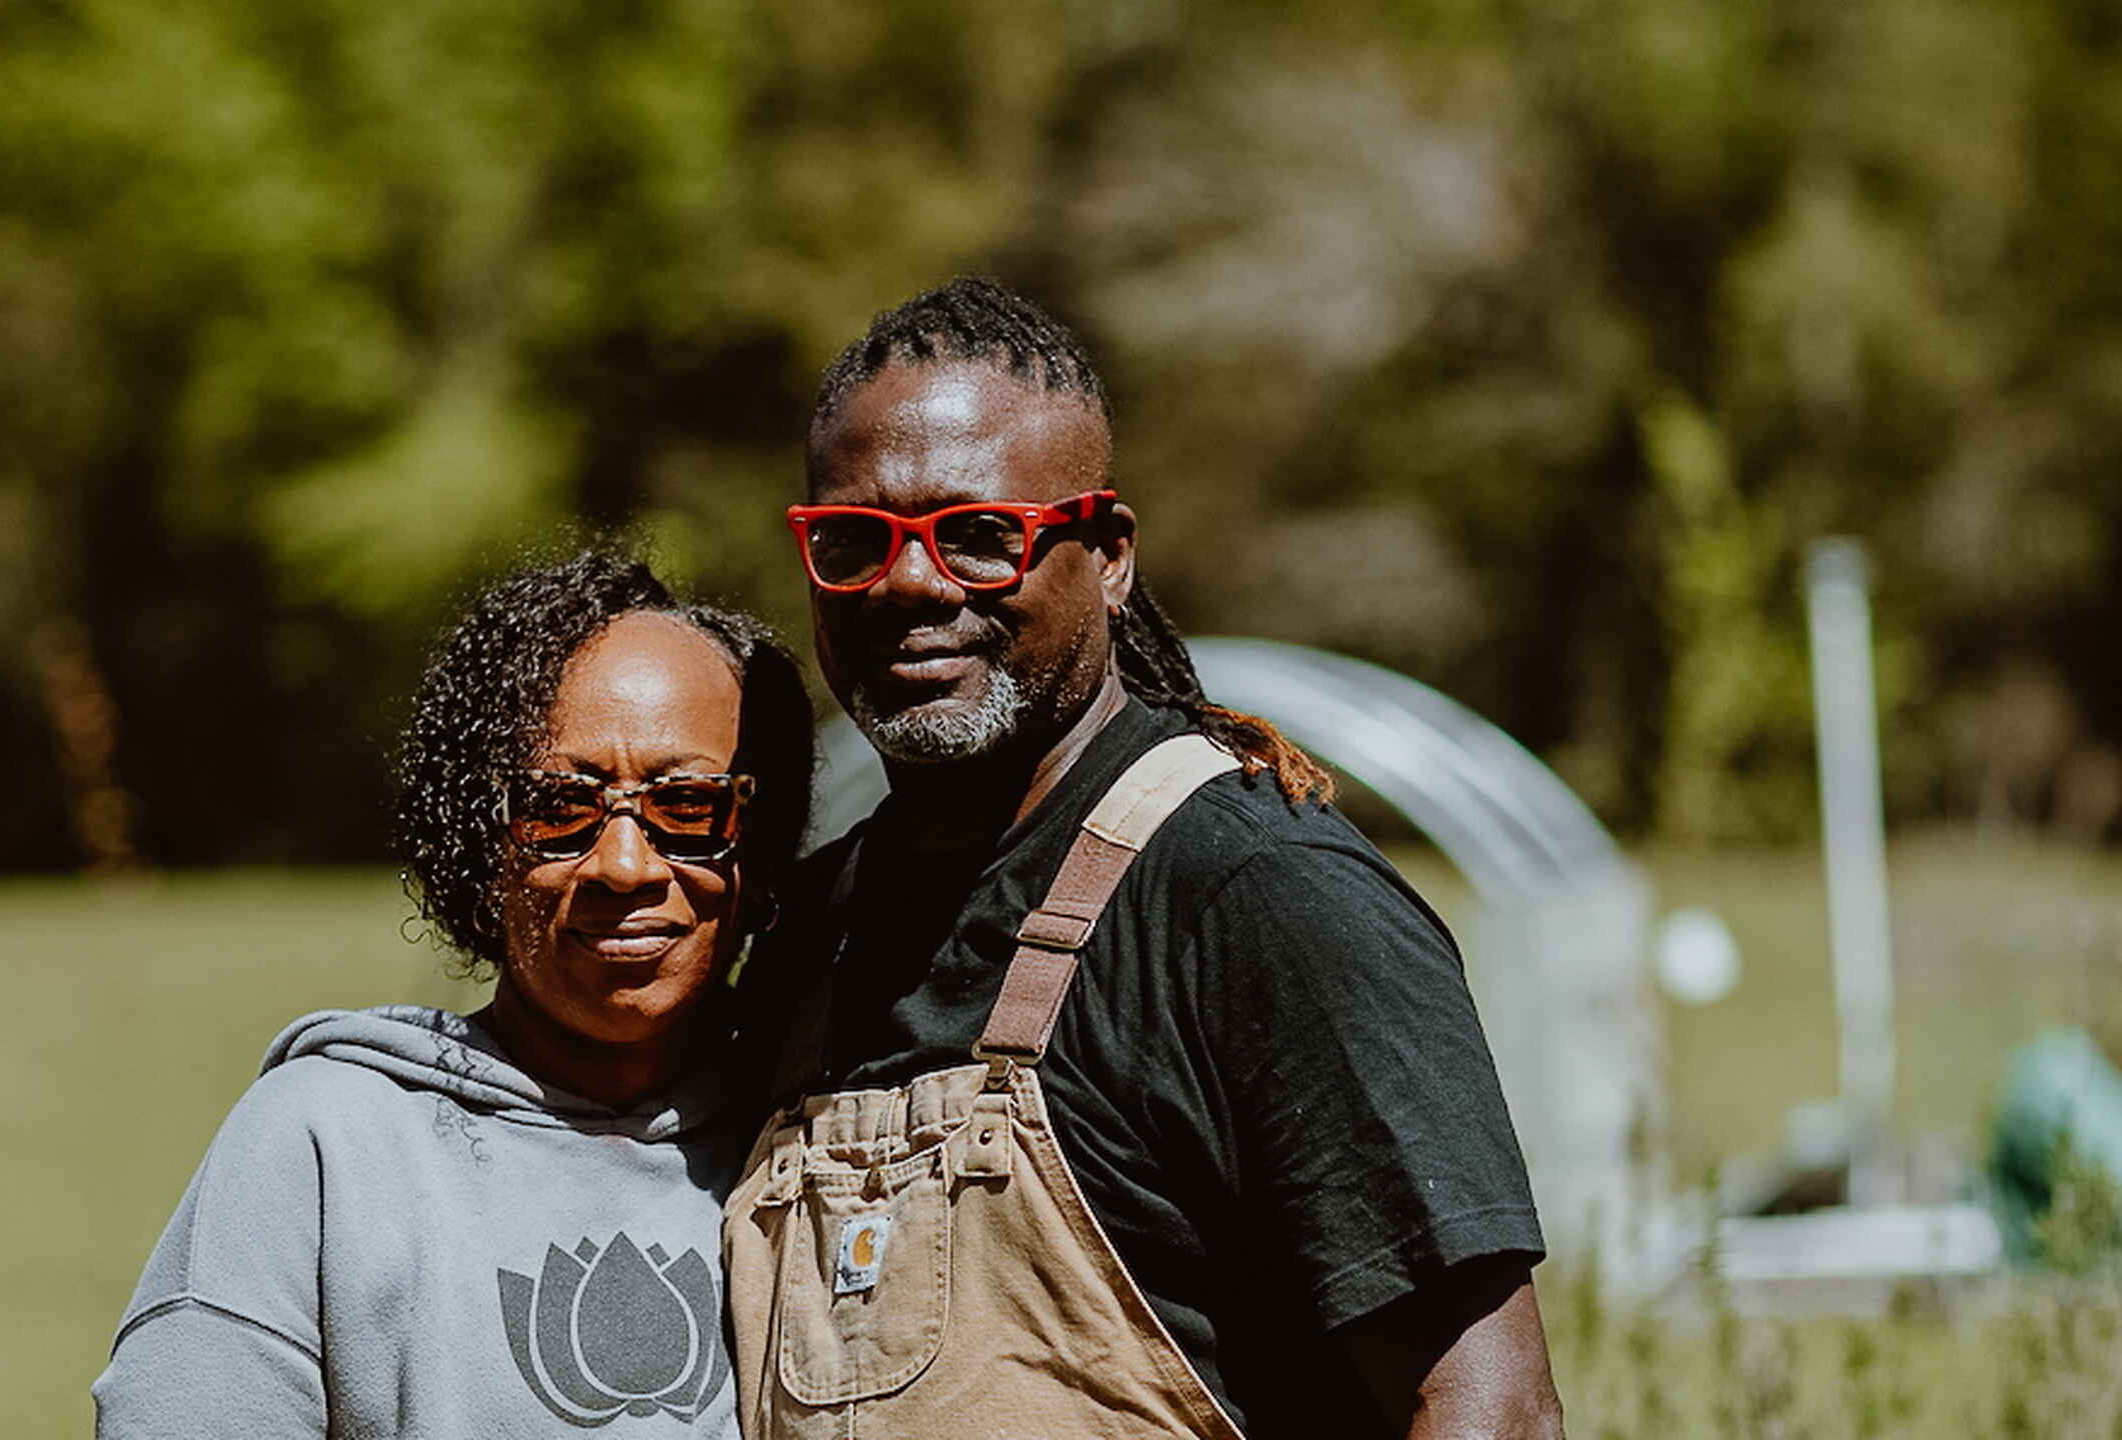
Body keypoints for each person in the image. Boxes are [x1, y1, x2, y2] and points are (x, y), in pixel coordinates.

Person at [724, 279, 1563, 1438]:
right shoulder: (806, 938)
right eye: (853, 544)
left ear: (1107, 555)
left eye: (977, 538)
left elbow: (1487, 1408)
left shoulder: (1255, 894)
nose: (909, 585)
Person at [94, 549, 814, 1438]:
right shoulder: (329, 1143)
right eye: (559, 806)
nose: (624, 863)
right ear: (479, 849)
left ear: (765, 843)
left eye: (688, 806)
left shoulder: (832, 1133)